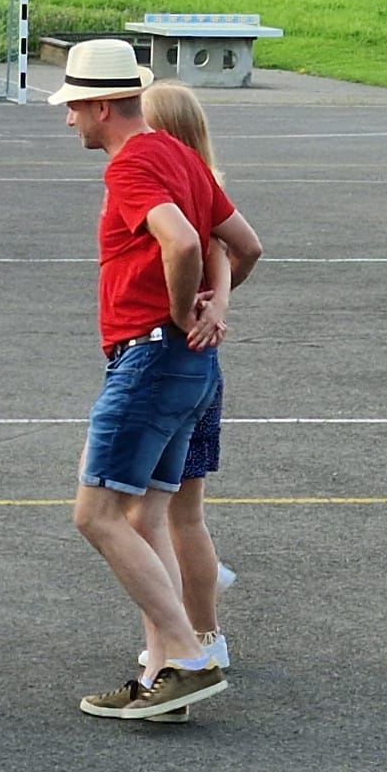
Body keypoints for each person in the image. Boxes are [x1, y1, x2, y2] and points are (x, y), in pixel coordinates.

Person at [50, 40, 234, 722]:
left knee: (94, 514)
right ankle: (162, 675)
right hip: (186, 365)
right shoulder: (183, 157)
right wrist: (214, 305)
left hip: (150, 358)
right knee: (147, 516)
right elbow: (242, 244)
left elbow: (182, 241)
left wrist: (184, 309)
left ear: (102, 106)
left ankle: (188, 656)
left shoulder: (131, 164)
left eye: (74, 107)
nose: (69, 119)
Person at [137, 82, 263, 697]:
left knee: (169, 517)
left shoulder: (181, 194)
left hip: (175, 363)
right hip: (199, 366)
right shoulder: (203, 185)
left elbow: (226, 251)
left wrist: (199, 306)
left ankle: (200, 634)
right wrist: (219, 302)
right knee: (178, 514)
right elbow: (242, 252)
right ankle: (197, 627)